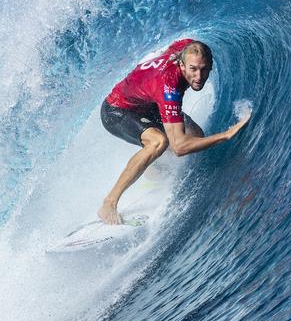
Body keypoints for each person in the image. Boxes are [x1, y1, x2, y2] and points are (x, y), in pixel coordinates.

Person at [98, 38, 251, 224]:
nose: (199, 76)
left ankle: (153, 174)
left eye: (204, 69)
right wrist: (226, 135)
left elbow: (183, 43)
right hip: (117, 110)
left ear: (210, 65)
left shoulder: (186, 48)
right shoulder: (170, 88)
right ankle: (109, 203)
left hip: (148, 104)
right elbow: (179, 147)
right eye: (193, 69)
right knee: (159, 141)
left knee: (195, 134)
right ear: (182, 65)